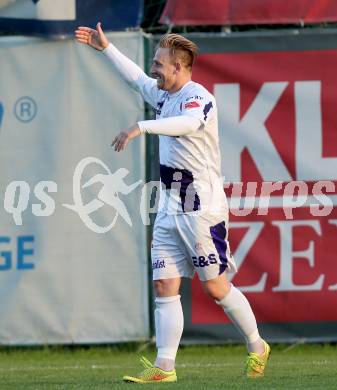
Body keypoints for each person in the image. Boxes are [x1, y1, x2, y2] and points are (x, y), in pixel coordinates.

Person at [75, 23, 270, 384]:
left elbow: (187, 124)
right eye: (154, 62)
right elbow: (136, 79)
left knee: (215, 288)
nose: (154, 68)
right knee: (165, 285)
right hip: (169, 206)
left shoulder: (198, 97)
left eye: (159, 64)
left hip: (202, 208)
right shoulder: (164, 95)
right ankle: (165, 367)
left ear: (179, 67)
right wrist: (106, 48)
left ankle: (257, 346)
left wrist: (141, 127)